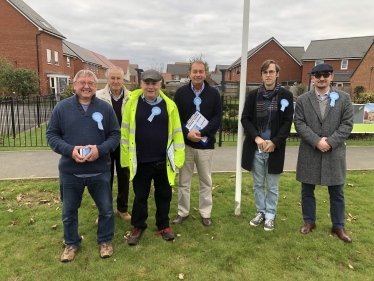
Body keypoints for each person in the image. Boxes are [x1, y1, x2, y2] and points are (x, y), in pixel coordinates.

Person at [46, 70, 120, 262]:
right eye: (82, 82)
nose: (86, 86)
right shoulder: (62, 108)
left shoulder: (105, 108)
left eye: (90, 83)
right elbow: (52, 135)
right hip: (71, 171)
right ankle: (71, 243)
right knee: (69, 212)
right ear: (75, 84)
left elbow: (115, 135)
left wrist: (100, 150)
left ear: (96, 86)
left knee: (106, 210)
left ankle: (105, 241)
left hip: (100, 170)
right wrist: (70, 150)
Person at [121, 69, 185, 245]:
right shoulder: (132, 104)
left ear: (160, 85)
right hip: (140, 160)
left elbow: (178, 134)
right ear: (141, 84)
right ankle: (138, 226)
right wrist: (126, 160)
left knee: (164, 195)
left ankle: (163, 225)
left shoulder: (170, 105)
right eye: (147, 83)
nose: (150, 87)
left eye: (154, 83)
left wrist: (178, 159)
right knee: (140, 195)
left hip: (163, 161)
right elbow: (125, 133)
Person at [294, 63, 354, 242]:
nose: (321, 78)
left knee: (337, 192)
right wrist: (316, 141)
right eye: (317, 75)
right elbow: (299, 123)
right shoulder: (303, 100)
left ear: (331, 77)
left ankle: (338, 226)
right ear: (312, 78)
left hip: (334, 152)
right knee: (307, 191)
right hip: (309, 151)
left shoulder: (344, 98)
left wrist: (329, 142)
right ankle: (309, 222)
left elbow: (347, 124)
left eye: (325, 75)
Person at [241, 59, 294, 231]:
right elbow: (245, 119)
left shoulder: (286, 96)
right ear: (262, 75)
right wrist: (256, 137)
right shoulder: (253, 95)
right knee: (257, 184)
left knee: (272, 185)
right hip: (256, 147)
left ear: (277, 74)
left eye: (271, 72)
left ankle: (270, 215)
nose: (268, 75)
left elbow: (287, 122)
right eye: (265, 72)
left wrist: (275, 142)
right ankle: (260, 212)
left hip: (274, 149)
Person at [173, 60, 222, 226]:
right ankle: (182, 212)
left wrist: (202, 133)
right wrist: (187, 134)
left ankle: (205, 213)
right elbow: (176, 118)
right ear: (189, 74)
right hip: (186, 145)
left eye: (201, 71)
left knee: (206, 181)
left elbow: (217, 117)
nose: (198, 74)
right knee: (183, 181)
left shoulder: (214, 94)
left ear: (206, 74)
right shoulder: (180, 93)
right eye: (195, 71)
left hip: (205, 144)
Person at [96, 66, 131, 221]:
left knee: (124, 177)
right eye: (113, 78)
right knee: (104, 179)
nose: (116, 81)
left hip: (124, 144)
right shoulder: (97, 96)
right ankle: (104, 211)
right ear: (108, 79)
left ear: (123, 80)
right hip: (106, 144)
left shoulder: (131, 97)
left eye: (118, 78)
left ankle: (122, 209)